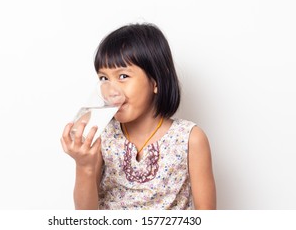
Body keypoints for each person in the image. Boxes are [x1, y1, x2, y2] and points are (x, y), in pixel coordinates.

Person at [61, 23, 216, 210]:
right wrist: (84, 166)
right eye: (104, 78)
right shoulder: (102, 134)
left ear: (156, 81)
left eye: (123, 76)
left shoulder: (189, 138)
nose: (111, 90)